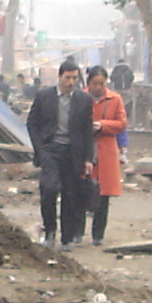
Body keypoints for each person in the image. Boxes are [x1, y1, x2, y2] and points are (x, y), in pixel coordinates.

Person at [26, 57, 95, 249]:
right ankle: (49, 230)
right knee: (49, 189)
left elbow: (87, 131)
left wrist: (89, 159)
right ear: (60, 77)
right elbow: (32, 124)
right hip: (50, 150)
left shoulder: (84, 100)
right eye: (67, 78)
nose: (71, 82)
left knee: (70, 195)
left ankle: (67, 237)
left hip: (73, 152)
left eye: (74, 78)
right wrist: (40, 149)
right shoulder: (44, 96)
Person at [82, 64, 126, 245]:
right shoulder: (80, 98)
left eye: (102, 83)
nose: (98, 87)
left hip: (106, 150)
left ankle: (98, 234)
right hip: (84, 148)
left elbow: (122, 124)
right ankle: (77, 231)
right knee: (80, 190)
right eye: (95, 83)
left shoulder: (115, 99)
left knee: (103, 194)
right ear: (89, 83)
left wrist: (102, 125)